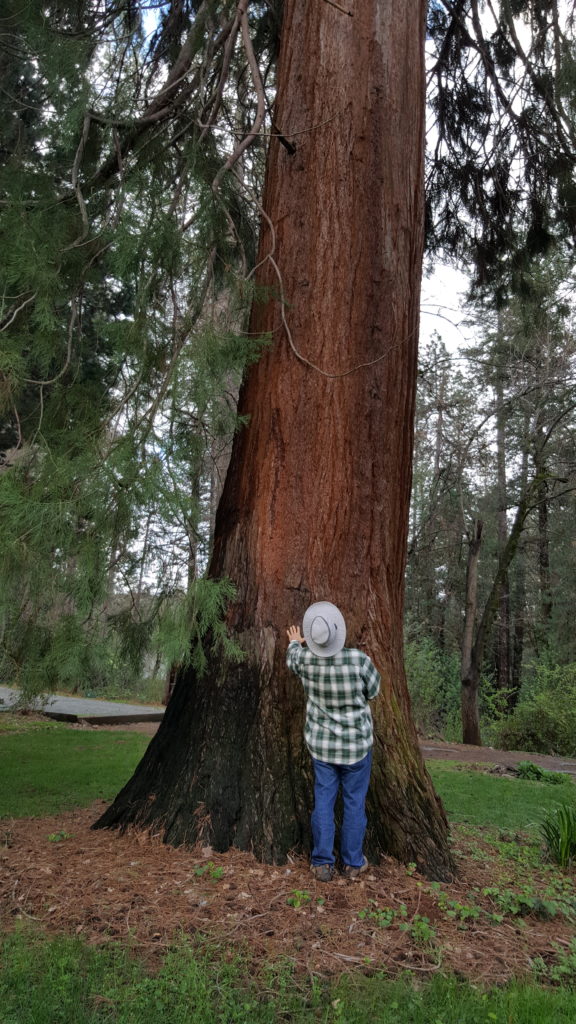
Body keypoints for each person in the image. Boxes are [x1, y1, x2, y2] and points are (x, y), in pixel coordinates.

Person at [286, 601, 381, 882]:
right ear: (338, 631)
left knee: (324, 803)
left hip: (323, 749)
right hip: (356, 747)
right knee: (354, 804)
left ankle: (322, 863)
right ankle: (352, 864)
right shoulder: (358, 660)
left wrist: (294, 642)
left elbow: (292, 658)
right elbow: (374, 691)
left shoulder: (306, 661)